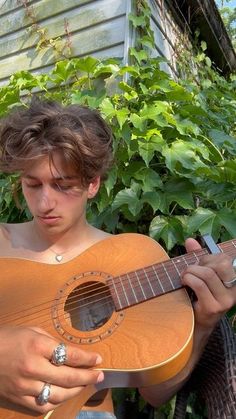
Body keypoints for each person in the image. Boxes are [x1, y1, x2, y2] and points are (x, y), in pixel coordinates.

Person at [0, 98, 235, 419]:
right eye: (32, 184)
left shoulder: (131, 256)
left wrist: (204, 322)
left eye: (62, 185)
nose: (44, 202)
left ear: (92, 183)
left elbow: (155, 394)